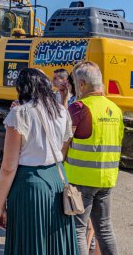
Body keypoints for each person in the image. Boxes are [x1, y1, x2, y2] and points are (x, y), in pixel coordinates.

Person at [0, 68, 79, 255]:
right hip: (57, 179)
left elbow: (8, 168)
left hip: (29, 185)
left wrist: (0, 206)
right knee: (55, 240)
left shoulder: (20, 114)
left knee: (31, 242)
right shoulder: (61, 111)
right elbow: (64, 146)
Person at [64, 61, 124, 255]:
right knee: (104, 229)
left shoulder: (78, 107)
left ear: (81, 84)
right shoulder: (115, 109)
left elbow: (64, 143)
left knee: (77, 230)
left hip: (80, 180)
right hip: (106, 179)